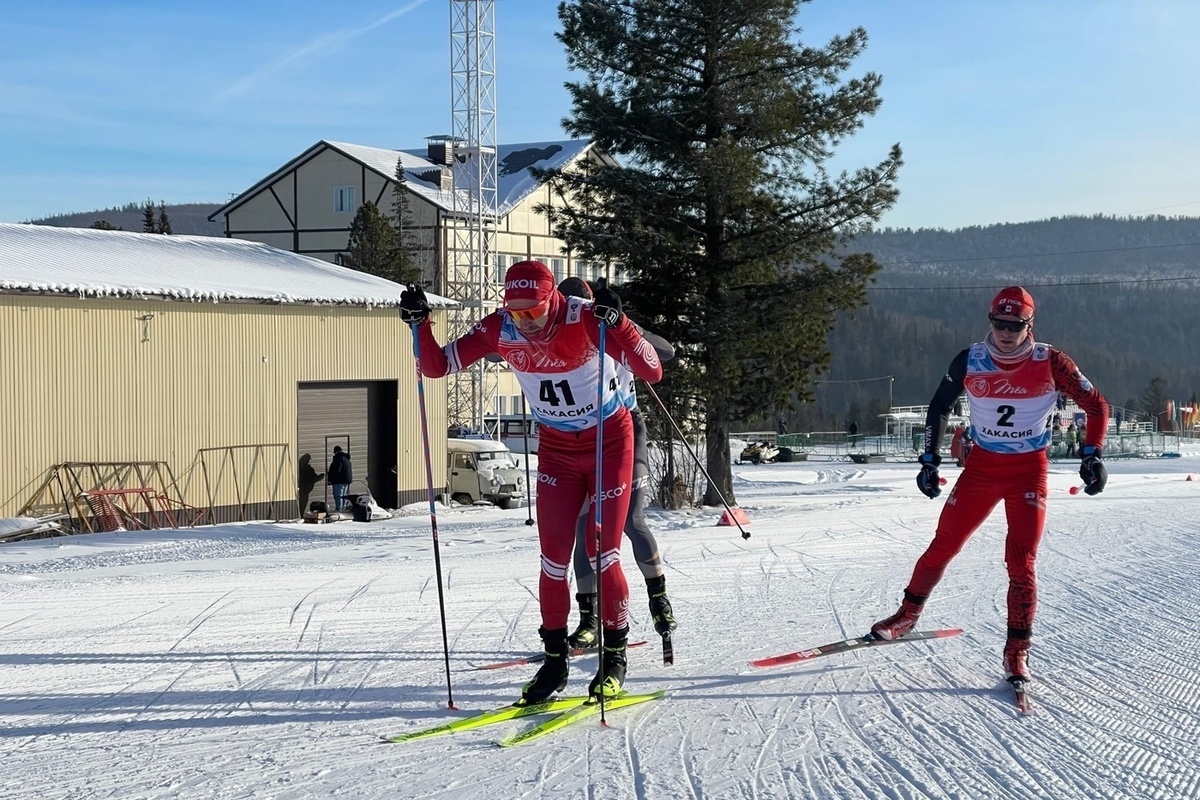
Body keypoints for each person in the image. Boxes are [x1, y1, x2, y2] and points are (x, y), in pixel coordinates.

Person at [399, 261, 663, 701]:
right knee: (552, 560)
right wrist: (420, 324)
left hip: (608, 444)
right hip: (558, 451)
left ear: (553, 300)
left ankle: (614, 657)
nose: (527, 323)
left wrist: (620, 326)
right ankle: (555, 665)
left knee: (603, 551)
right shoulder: (501, 328)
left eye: (534, 312)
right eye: (517, 313)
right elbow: (436, 367)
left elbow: (652, 370)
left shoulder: (583, 317)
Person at [870, 286, 1108, 685]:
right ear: (991, 321)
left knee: (1021, 562)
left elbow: (1097, 405)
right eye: (999, 323)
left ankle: (1017, 653)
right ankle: (906, 616)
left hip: (1029, 470)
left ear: (1029, 324)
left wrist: (1092, 454)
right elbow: (938, 407)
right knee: (944, 544)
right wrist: (929, 461)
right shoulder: (971, 358)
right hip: (982, 468)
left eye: (1015, 325)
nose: (1006, 332)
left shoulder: (1051, 361)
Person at [555, 276, 677, 649]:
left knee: (628, 520)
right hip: (582, 438)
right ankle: (589, 618)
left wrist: (623, 323)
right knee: (581, 528)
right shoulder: (555, 330)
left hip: (625, 432)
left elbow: (666, 352)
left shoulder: (604, 318)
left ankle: (658, 599)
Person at [327, 446, 352, 511]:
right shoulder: (346, 459)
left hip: (338, 481)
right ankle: (343, 509)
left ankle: (339, 510)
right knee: (344, 496)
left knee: (338, 496)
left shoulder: (338, 458)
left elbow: (337, 470)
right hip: (346, 480)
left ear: (336, 452)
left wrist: (331, 479)